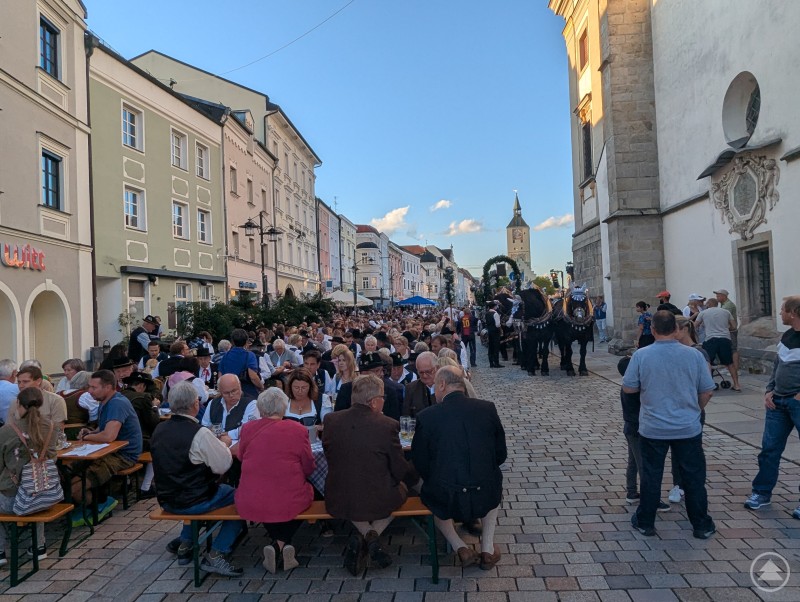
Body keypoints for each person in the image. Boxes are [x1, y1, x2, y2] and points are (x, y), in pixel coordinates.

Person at [622, 311, 716, 539]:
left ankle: (646, 522)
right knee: (693, 477)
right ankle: (701, 525)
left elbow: (629, 388)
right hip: (687, 426)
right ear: (675, 329)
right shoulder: (694, 356)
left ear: (652, 330)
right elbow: (707, 389)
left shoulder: (642, 355)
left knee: (651, 475)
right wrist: (695, 409)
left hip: (654, 426)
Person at [412, 367, 507, 569]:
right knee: (494, 479)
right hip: (484, 492)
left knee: (427, 492)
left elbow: (419, 461)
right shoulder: (487, 408)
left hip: (446, 496)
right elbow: (501, 454)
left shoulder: (426, 416)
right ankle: (487, 549)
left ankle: (460, 546)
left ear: (442, 385)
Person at [151, 381, 244, 577]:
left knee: (193, 488)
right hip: (195, 499)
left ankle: (187, 541)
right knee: (242, 499)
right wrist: (225, 444)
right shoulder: (199, 433)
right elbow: (223, 465)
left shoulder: (159, 429)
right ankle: (217, 552)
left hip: (167, 498)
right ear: (195, 404)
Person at [323, 374, 412, 575]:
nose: (384, 402)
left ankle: (366, 538)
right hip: (377, 498)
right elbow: (399, 470)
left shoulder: (331, 420)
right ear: (373, 402)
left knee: (355, 493)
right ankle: (370, 539)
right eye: (383, 398)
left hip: (339, 495)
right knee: (401, 490)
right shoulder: (387, 425)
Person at [236, 388, 314, 573]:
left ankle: (277, 544)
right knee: (307, 495)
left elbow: (241, 456)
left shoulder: (247, 429)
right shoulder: (297, 429)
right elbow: (308, 465)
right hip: (286, 498)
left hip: (251, 498)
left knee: (270, 501)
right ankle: (281, 543)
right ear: (284, 407)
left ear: (261, 409)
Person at [744, 296, 800, 515]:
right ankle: (761, 492)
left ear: (793, 313)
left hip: (796, 402)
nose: (779, 314)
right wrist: (769, 390)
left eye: (782, 310)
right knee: (769, 450)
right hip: (778, 402)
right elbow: (778, 364)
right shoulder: (787, 335)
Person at [74, 371, 143, 521]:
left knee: (76, 487)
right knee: (71, 471)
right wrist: (91, 432)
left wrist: (87, 437)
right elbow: (102, 429)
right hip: (109, 451)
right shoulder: (105, 402)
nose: (89, 391)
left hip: (124, 454)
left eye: (94, 387)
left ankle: (99, 504)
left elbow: (108, 436)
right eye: (89, 387)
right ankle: (92, 502)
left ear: (108, 387)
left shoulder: (117, 403)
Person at [0, 387, 58, 562]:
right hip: (44, 494)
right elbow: (53, 456)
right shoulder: (51, 427)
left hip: (11, 498)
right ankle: (39, 546)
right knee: (35, 490)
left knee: (21, 491)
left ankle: (0, 551)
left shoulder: (6, 431)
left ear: (18, 404)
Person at [334, 353, 402, 420]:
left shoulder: (389, 391)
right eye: (377, 371)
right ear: (364, 373)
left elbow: (394, 420)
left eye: (382, 370)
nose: (382, 374)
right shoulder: (347, 389)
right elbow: (339, 416)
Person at [695, 298, 741, 391]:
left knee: (708, 362)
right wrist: (726, 328)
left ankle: (709, 385)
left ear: (708, 304)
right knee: (730, 363)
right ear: (716, 304)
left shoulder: (703, 313)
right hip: (725, 339)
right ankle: (736, 384)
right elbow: (734, 326)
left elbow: (695, 325)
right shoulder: (726, 312)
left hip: (710, 339)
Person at [201, 374, 258, 448]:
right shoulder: (213, 403)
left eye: (234, 391)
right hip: (214, 448)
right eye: (226, 393)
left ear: (240, 386)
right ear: (220, 392)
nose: (231, 395)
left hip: (239, 451)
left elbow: (247, 429)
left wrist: (226, 435)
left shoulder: (251, 403)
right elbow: (205, 426)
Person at [13, 366, 67, 431]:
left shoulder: (55, 400)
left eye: (25, 382)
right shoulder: (15, 401)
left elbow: (58, 428)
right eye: (19, 382)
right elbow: (10, 426)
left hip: (47, 438)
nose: (20, 386)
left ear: (38, 381)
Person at [284, 368, 333, 434]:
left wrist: (321, 427)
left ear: (310, 387)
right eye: (296, 387)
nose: (300, 391)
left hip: (314, 442)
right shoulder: (283, 400)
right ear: (290, 386)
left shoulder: (322, 399)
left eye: (304, 387)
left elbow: (329, 424)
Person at [218, 329, 263, 399]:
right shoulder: (249, 355)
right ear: (246, 341)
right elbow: (253, 377)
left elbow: (220, 376)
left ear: (232, 342)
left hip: (229, 393)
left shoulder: (226, 355)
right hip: (247, 393)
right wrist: (261, 387)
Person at [714, 288, 740, 376]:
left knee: (733, 349)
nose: (717, 298)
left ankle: (735, 369)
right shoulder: (723, 305)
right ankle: (729, 367)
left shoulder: (727, 306)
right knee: (729, 349)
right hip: (727, 330)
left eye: (718, 296)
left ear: (723, 296)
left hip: (731, 330)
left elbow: (724, 318)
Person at [485, 302, 503, 368]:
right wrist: (501, 329)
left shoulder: (487, 313)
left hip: (489, 331)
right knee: (496, 347)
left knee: (491, 347)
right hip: (495, 332)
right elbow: (497, 324)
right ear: (494, 307)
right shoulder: (495, 314)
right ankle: (496, 362)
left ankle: (491, 363)